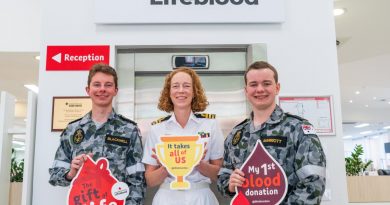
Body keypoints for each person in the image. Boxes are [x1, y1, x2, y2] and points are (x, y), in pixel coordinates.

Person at [217, 61, 326, 204]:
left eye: (266, 83)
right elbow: (223, 177)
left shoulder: (298, 129)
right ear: (246, 91)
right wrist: (230, 185)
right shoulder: (236, 135)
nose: (260, 89)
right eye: (253, 84)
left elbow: (314, 183)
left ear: (277, 88)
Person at [49, 63, 146, 205]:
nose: (102, 89)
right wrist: (71, 173)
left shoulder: (129, 129)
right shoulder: (73, 130)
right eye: (97, 84)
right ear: (88, 90)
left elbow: (138, 179)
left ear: (115, 90)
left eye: (108, 85)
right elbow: (55, 175)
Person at [142, 67, 224, 205]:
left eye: (186, 86)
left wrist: (197, 162)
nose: (181, 90)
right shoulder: (157, 128)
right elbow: (149, 180)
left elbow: (220, 174)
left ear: (194, 91)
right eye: (175, 86)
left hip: (201, 198)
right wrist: (167, 166)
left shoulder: (210, 124)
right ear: (169, 92)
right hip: (166, 198)